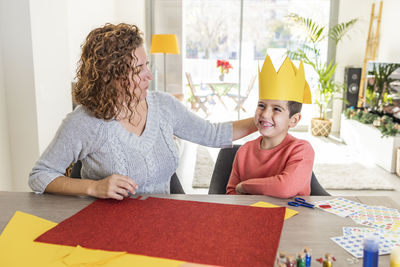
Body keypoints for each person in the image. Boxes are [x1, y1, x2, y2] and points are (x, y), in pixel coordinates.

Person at [29, 23, 256, 200]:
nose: (149, 75)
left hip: (162, 222)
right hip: (106, 228)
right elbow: (40, 176)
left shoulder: (164, 105)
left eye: (147, 65)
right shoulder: (84, 122)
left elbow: (213, 134)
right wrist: (94, 187)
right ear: (111, 76)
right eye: (139, 69)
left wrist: (262, 119)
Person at [226, 55, 314, 198]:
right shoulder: (244, 151)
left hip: (293, 218)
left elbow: (285, 188)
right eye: (261, 105)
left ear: (294, 120)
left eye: (277, 109)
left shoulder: (301, 149)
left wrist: (244, 186)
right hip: (251, 216)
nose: (265, 114)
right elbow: (231, 193)